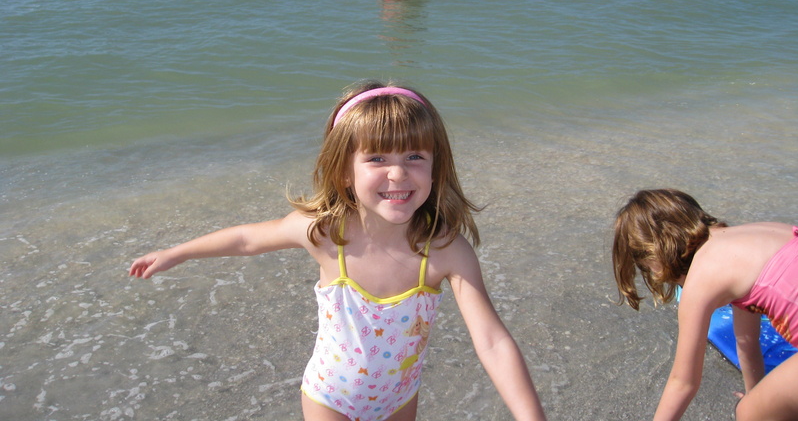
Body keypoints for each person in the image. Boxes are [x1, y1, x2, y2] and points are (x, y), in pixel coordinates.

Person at [130, 81, 548, 421]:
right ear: (345, 171)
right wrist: (176, 253)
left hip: (399, 401)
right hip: (330, 398)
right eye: (377, 157)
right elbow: (247, 240)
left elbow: (492, 340)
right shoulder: (327, 235)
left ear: (437, 167)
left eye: (415, 155)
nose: (398, 172)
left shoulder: (444, 251)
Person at [612, 188, 798, 421]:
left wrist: (754, 408)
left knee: (748, 413)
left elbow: (684, 382)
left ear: (654, 255)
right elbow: (747, 341)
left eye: (647, 267)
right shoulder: (740, 241)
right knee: (755, 406)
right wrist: (757, 395)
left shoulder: (699, 281)